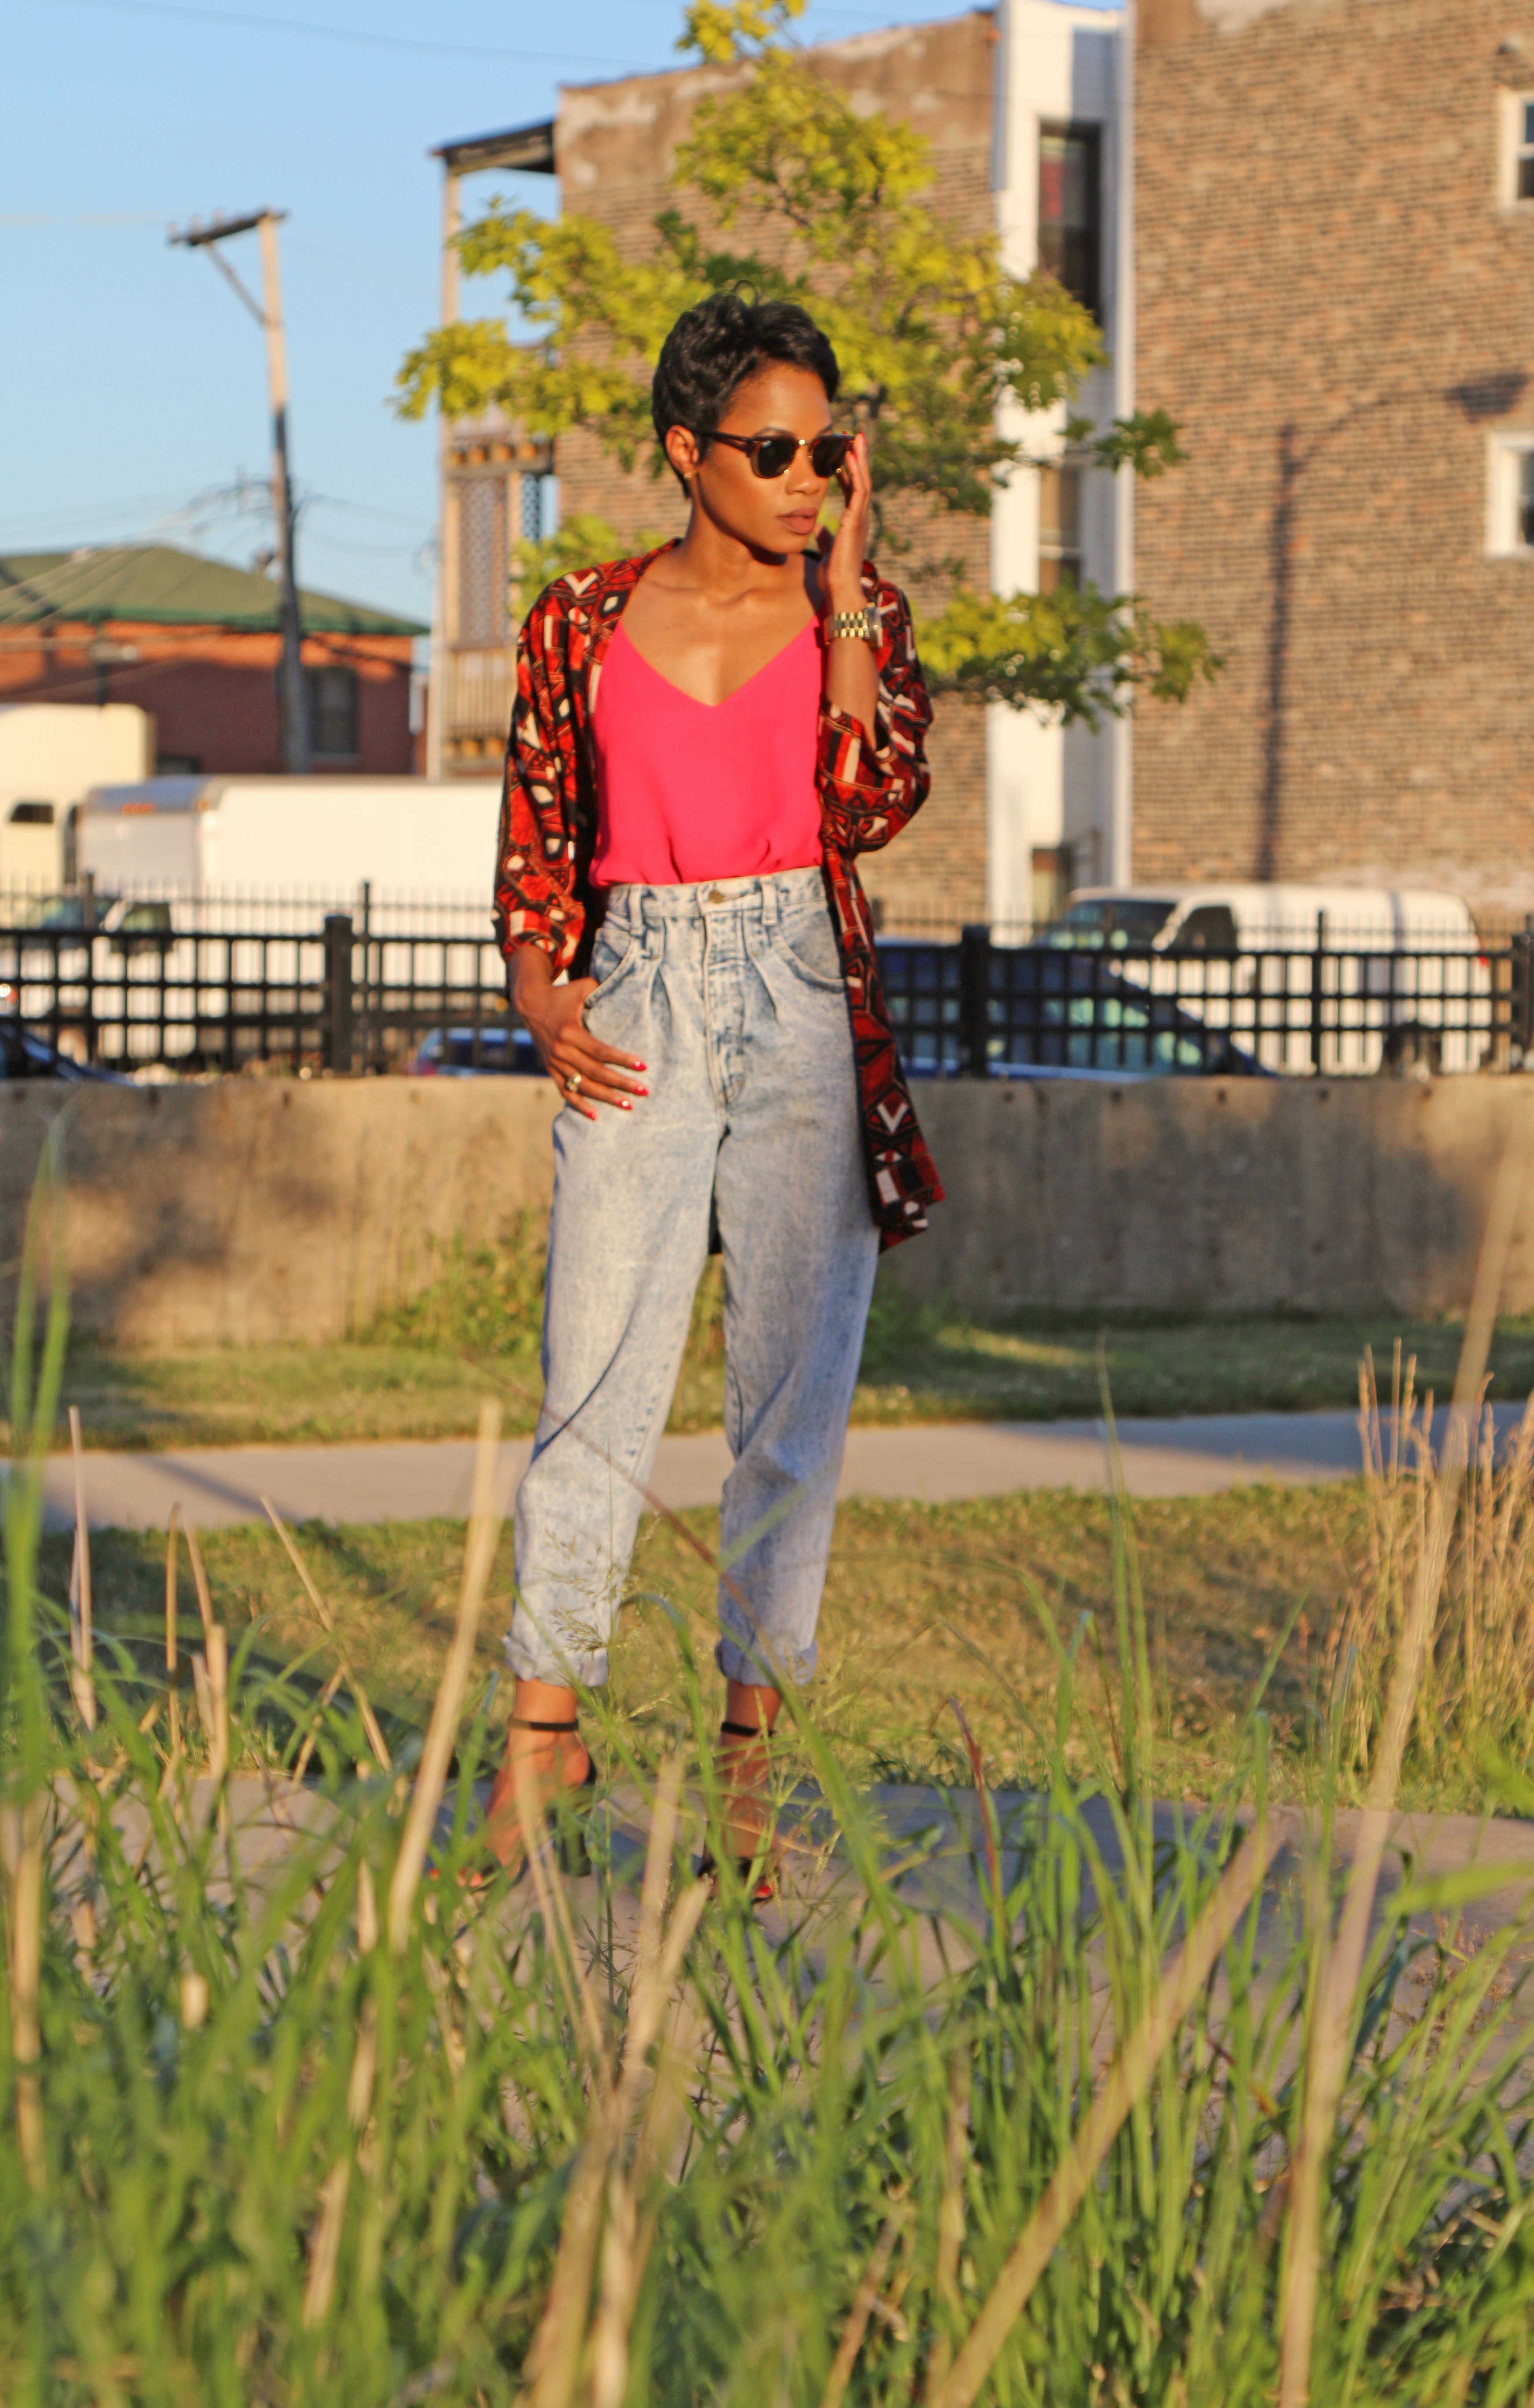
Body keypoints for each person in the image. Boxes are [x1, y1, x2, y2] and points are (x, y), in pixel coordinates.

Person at [480, 288, 942, 1890]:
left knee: (788, 1408)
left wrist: (850, 605)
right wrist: (544, 988)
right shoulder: (578, 624)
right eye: (773, 449)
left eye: (828, 449)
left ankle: (751, 1747)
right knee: (592, 1375)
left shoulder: (847, 617)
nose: (806, 473)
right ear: (688, 452)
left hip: (805, 995)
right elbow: (539, 835)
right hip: (638, 1004)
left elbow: (873, 801)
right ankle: (546, 1733)